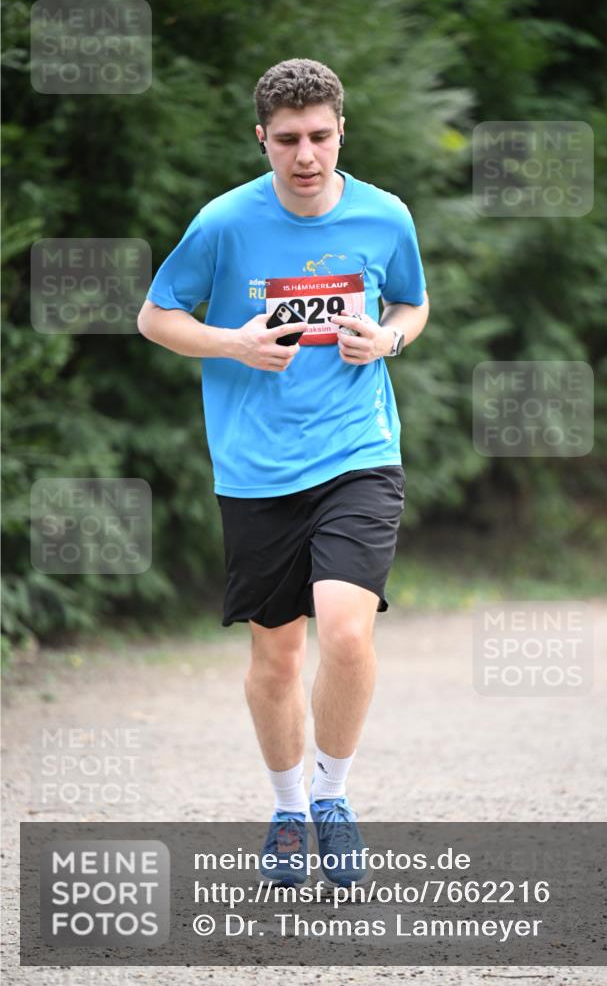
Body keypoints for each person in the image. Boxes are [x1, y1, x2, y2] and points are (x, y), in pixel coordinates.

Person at [138, 58, 429, 887]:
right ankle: (288, 808)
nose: (306, 155)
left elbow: (411, 301)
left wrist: (390, 339)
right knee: (276, 657)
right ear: (261, 139)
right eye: (289, 140)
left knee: (345, 629)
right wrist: (234, 341)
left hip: (357, 453)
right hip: (257, 467)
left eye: (321, 137)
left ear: (342, 132)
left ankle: (333, 799)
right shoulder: (225, 223)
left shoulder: (384, 216)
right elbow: (155, 315)